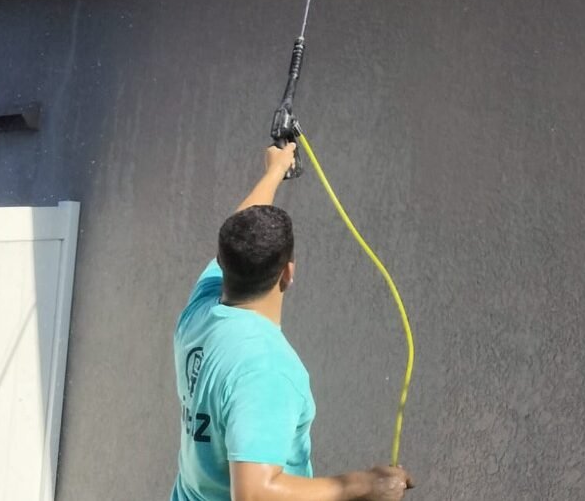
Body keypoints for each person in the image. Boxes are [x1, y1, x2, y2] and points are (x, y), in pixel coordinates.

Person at [171, 142, 414, 501]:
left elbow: (238, 233)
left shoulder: (200, 311)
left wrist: (274, 171)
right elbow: (254, 494)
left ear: (222, 264)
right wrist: (366, 486)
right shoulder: (266, 369)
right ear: (288, 273)